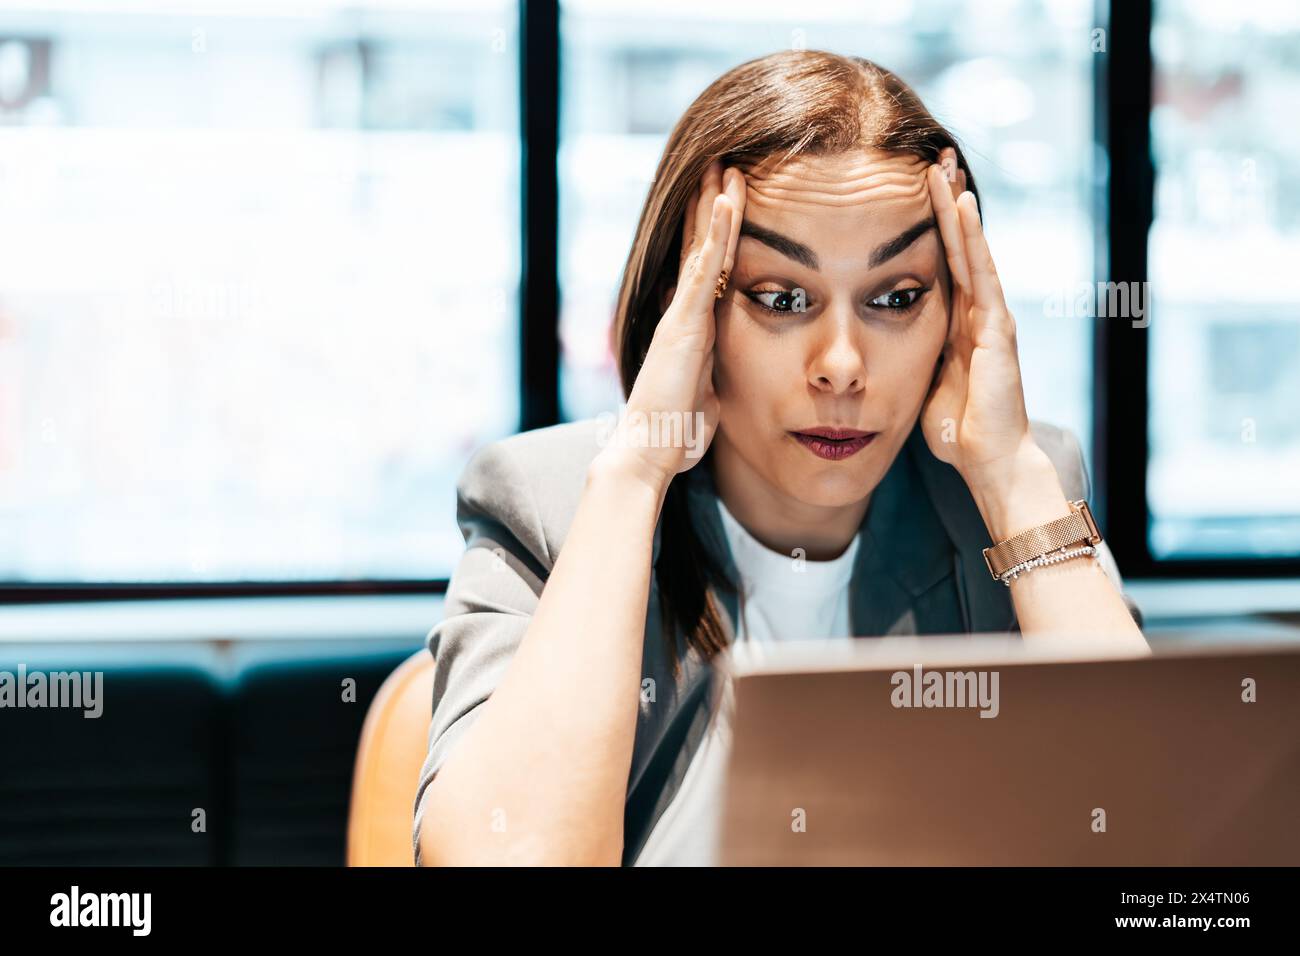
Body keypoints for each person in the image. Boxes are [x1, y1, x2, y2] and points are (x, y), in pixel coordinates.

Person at [413, 49, 1148, 867]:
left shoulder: (1016, 490)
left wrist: (1014, 483)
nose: (841, 363)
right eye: (782, 297)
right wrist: (636, 475)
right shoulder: (544, 506)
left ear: (957, 317)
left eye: (897, 298)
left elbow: (1166, 867)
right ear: (688, 309)